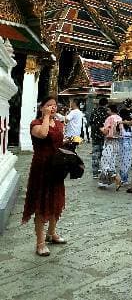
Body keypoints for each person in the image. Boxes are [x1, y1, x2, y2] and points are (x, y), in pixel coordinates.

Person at [22, 96, 67, 256]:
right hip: (41, 168)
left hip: (56, 167)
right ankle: (40, 242)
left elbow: (60, 142)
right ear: (41, 108)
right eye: (49, 105)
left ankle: (52, 233)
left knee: (56, 201)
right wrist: (46, 116)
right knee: (42, 204)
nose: (53, 108)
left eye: (55, 106)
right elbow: (42, 134)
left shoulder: (60, 124)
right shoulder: (36, 124)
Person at [98, 104, 123, 189]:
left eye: (108, 110)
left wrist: (101, 129)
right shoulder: (119, 118)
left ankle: (113, 178)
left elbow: (105, 132)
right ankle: (108, 181)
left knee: (105, 162)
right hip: (117, 143)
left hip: (109, 142)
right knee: (111, 163)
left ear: (111, 110)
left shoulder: (109, 118)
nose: (107, 111)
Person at [89, 97, 109, 179]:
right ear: (106, 104)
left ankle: (95, 173)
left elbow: (90, 122)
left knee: (95, 154)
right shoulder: (107, 112)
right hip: (105, 136)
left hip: (95, 136)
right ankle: (103, 170)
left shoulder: (94, 111)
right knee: (104, 154)